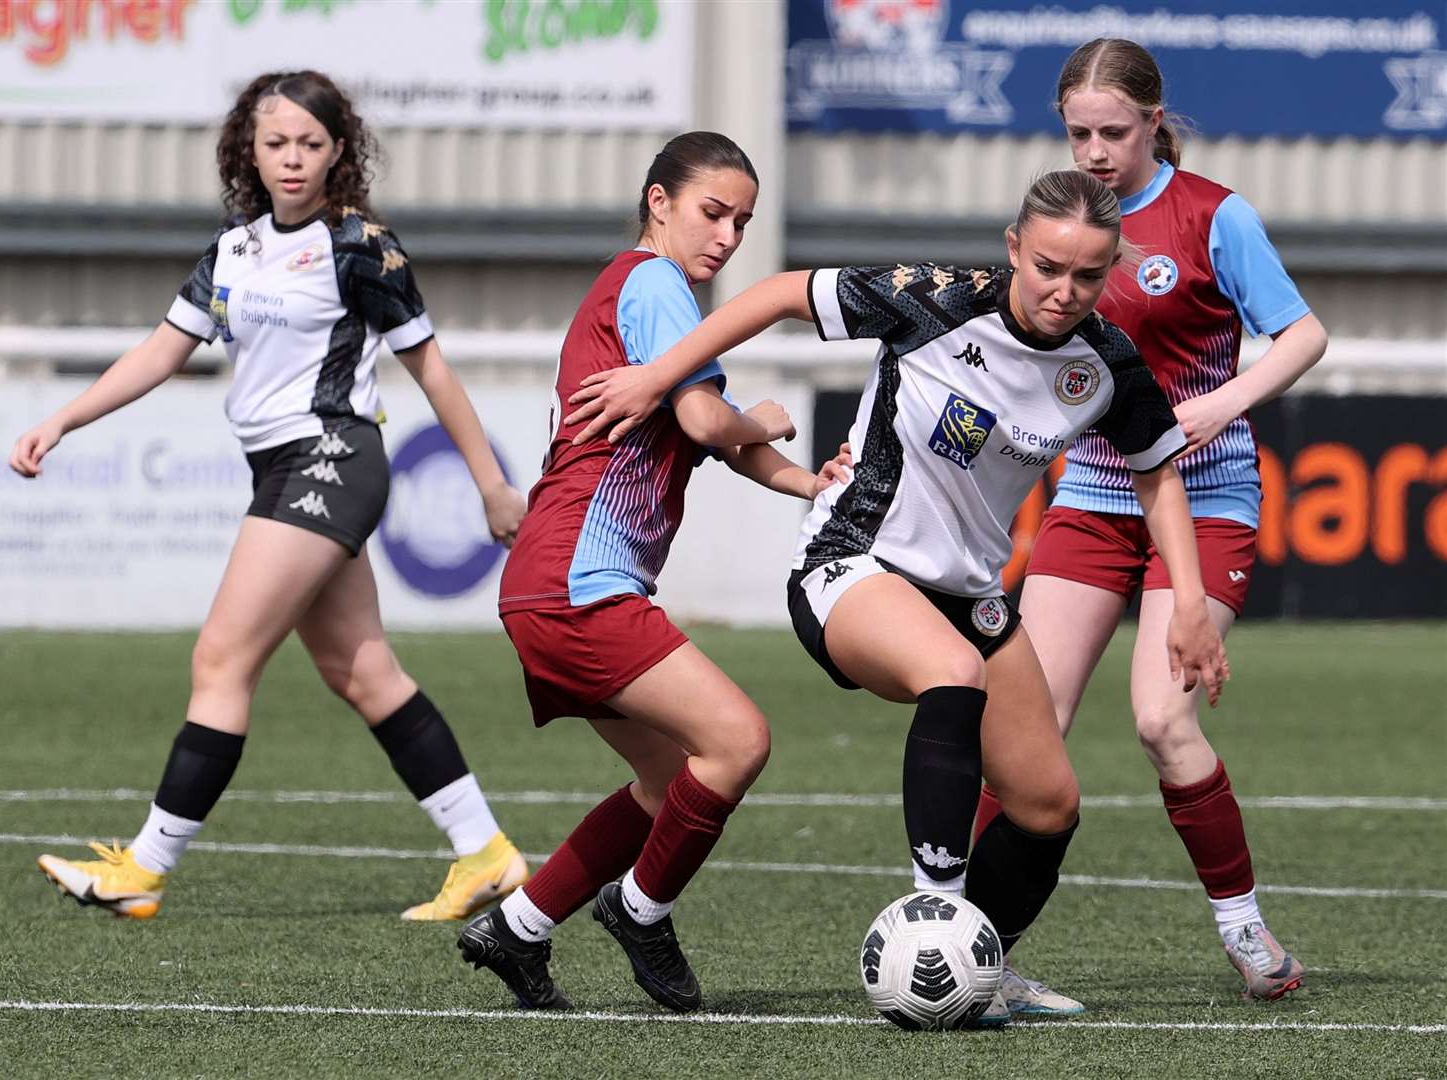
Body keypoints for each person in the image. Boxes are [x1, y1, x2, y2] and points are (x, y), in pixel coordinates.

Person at [561, 168, 1230, 1025]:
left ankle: (974, 961)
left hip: (970, 592)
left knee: (1045, 803)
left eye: (1088, 276)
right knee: (951, 673)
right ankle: (938, 920)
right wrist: (659, 379)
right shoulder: (933, 300)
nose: (1065, 292)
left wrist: (1185, 605)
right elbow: (772, 293)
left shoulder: (1103, 362)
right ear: (1012, 250)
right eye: (1048, 268)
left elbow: (1157, 475)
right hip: (850, 561)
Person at [11, 70, 531, 925]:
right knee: (362, 672)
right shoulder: (235, 249)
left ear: (339, 151)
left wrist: (490, 485)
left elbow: (429, 367)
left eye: (311, 144)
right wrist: (63, 419)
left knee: (221, 659)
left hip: (330, 456)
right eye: (276, 143)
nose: (293, 160)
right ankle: (486, 853)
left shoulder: (362, 244)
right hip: (280, 468)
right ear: (247, 151)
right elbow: (158, 353)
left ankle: (143, 868)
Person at [455, 132, 847, 1014]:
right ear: (658, 201)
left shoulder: (637, 291)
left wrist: (803, 480)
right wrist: (764, 418)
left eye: (743, 222)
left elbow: (707, 434)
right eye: (713, 212)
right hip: (576, 579)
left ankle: (515, 929)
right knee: (738, 741)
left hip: (552, 581)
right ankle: (641, 910)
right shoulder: (656, 283)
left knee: (667, 781)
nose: (728, 237)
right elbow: (710, 425)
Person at [974, 38, 1330, 1007]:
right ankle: (976, 948)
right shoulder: (1058, 224)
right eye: (1076, 132)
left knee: (1160, 720)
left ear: (1152, 119)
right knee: (1020, 729)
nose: (1093, 150)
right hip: (1092, 495)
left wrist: (1220, 404)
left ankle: (1242, 928)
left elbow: (1302, 334)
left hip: (1204, 493)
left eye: (1112, 132)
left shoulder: (1213, 216)